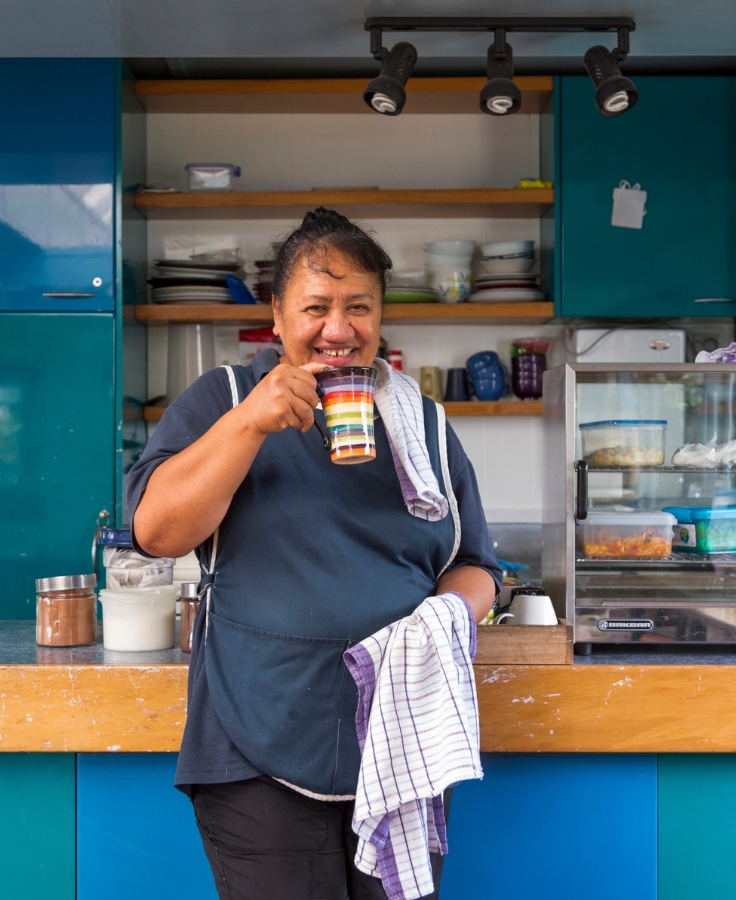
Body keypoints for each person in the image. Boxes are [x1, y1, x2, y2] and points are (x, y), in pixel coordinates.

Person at [126, 208, 500, 899]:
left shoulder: (423, 424)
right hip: (256, 736)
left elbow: (475, 563)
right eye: (316, 307)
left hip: (401, 740)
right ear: (276, 314)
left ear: (381, 316)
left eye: (359, 307)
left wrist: (446, 616)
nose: (339, 328)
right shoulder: (224, 399)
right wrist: (251, 424)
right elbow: (157, 532)